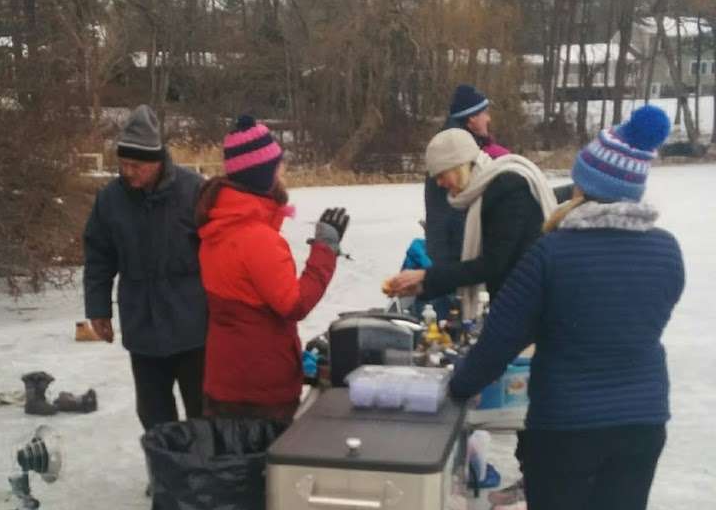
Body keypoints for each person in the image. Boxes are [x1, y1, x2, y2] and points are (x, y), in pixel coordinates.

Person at [448, 106, 684, 510]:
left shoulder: (552, 255)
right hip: (641, 422)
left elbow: (499, 340)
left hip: (569, 426)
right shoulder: (666, 252)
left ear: (586, 187)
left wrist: (456, 388)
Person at [197, 115, 349, 421]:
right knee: (263, 467)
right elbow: (293, 304)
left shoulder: (219, 224)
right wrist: (325, 251)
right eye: (277, 165)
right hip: (259, 388)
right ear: (263, 175)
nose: (283, 171)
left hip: (225, 379)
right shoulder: (256, 237)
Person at [83, 105, 207, 431]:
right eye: (122, 164)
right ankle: (165, 477)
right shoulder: (110, 200)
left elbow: (220, 254)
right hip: (142, 326)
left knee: (202, 411)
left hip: (193, 327)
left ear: (157, 162)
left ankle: (204, 477)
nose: (127, 171)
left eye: (135, 165)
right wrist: (98, 309)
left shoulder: (193, 191)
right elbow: (99, 257)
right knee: (153, 415)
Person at [383, 127, 556, 319]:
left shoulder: (508, 190)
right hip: (513, 299)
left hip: (526, 304)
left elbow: (492, 264)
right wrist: (424, 285)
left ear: (459, 166)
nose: (439, 183)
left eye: (441, 175)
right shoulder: (484, 190)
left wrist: (425, 277)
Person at [424, 84, 510, 267]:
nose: (489, 118)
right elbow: (455, 212)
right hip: (455, 254)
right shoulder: (455, 151)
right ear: (471, 117)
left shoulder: (457, 144)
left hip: (450, 251)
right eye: (484, 113)